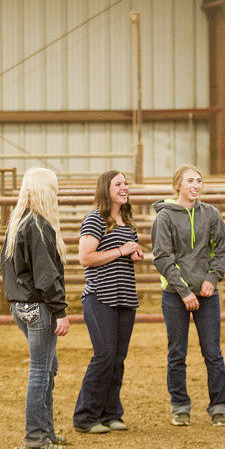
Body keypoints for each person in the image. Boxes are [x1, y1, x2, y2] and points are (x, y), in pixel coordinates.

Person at [151, 165, 225, 427]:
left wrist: (212, 278)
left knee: (213, 352)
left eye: (198, 181)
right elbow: (163, 258)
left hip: (207, 294)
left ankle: (219, 405)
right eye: (189, 181)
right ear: (178, 185)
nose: (195, 186)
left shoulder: (211, 214)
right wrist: (184, 291)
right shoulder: (165, 218)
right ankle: (180, 405)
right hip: (175, 295)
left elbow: (221, 252)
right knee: (177, 352)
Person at [1, 167, 70, 449]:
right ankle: (36, 436)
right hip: (40, 308)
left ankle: (46, 431)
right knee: (41, 370)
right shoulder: (39, 226)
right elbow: (46, 276)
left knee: (46, 368)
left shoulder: (17, 224)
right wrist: (61, 310)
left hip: (20, 306)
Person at [73, 170, 143, 434]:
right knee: (104, 355)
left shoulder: (127, 221)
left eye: (125, 183)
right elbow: (86, 258)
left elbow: (124, 253)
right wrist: (121, 251)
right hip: (100, 296)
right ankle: (85, 415)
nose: (124, 187)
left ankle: (111, 413)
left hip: (124, 295)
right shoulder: (94, 219)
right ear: (107, 189)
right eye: (118, 184)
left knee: (118, 357)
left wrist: (134, 253)